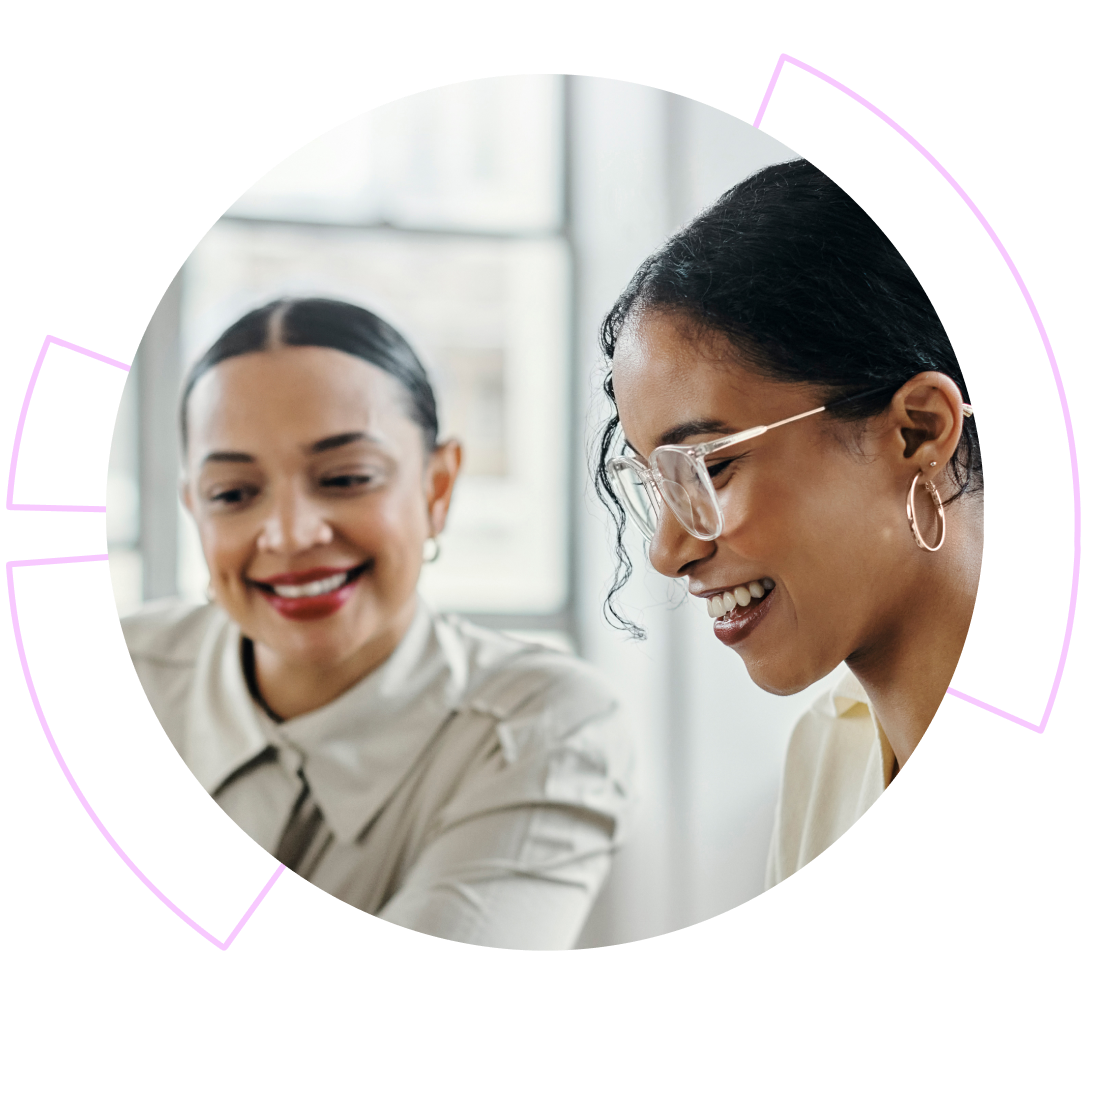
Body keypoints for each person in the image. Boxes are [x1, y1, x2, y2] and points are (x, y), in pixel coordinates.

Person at [120, 297, 634, 950]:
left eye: (345, 477)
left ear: (437, 488)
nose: (290, 534)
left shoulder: (545, 726)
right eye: (233, 494)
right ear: (195, 509)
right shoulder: (97, 680)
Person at [594, 159, 992, 897]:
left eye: (710, 469)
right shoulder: (828, 753)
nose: (666, 553)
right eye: (656, 483)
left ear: (917, 431)